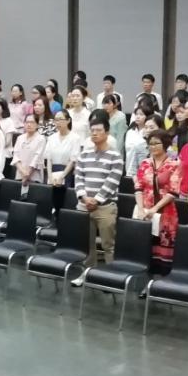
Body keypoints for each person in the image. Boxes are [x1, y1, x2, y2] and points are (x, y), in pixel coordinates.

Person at [73, 114, 124, 280]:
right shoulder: (84, 154)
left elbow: (112, 181)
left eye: (98, 130)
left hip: (105, 207)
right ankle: (87, 275)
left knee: (108, 245)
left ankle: (111, 278)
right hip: (84, 205)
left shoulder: (115, 156)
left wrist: (97, 200)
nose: (94, 133)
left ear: (107, 133)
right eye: (92, 130)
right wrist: (84, 197)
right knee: (86, 245)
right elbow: (78, 177)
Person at [135, 129, 180, 269]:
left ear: (165, 144)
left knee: (163, 250)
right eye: (150, 143)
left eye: (156, 143)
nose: (153, 146)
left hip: (165, 212)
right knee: (144, 247)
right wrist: (141, 209)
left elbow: (173, 191)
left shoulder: (174, 164)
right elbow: (138, 187)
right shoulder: (145, 163)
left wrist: (155, 209)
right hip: (145, 210)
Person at [44, 109, 81, 210]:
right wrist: (50, 176)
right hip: (52, 172)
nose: (58, 122)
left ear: (68, 120)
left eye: (60, 119)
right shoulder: (52, 137)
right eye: (56, 120)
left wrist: (62, 176)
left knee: (62, 203)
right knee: (50, 202)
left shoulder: (75, 138)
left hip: (66, 172)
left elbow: (72, 160)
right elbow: (49, 159)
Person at [12, 114, 46, 189]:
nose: (29, 124)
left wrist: (27, 174)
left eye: (32, 122)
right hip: (20, 175)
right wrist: (23, 172)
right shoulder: (20, 138)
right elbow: (15, 156)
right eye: (27, 122)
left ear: (37, 125)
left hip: (34, 176)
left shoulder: (41, 139)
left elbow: (37, 158)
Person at [123, 105, 151, 179]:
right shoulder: (130, 132)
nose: (138, 116)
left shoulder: (149, 132)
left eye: (141, 114)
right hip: (129, 166)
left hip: (145, 168)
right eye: (136, 114)